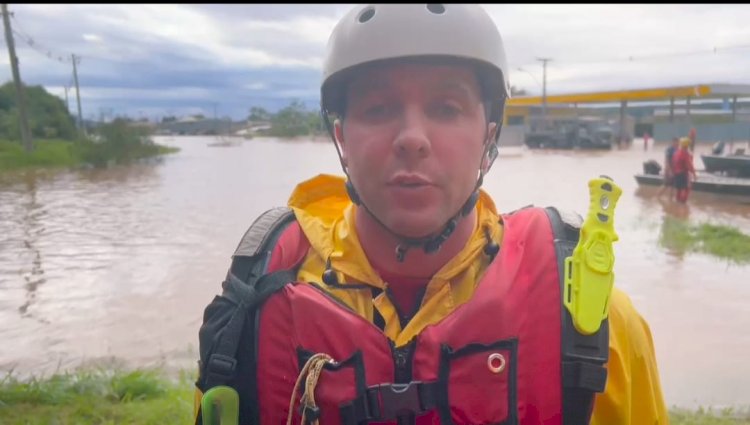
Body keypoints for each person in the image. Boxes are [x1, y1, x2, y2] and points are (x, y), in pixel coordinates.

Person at [194, 5, 667, 425]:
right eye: (378, 108)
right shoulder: (252, 310)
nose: (412, 138)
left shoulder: (596, 326)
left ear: (489, 134)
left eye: (446, 107)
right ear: (341, 137)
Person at [672, 137, 697, 203]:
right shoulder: (685, 154)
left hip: (676, 173)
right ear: (687, 145)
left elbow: (674, 163)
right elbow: (689, 166)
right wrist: (694, 174)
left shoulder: (676, 153)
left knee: (678, 189)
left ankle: (677, 203)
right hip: (683, 173)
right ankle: (682, 205)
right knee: (685, 189)